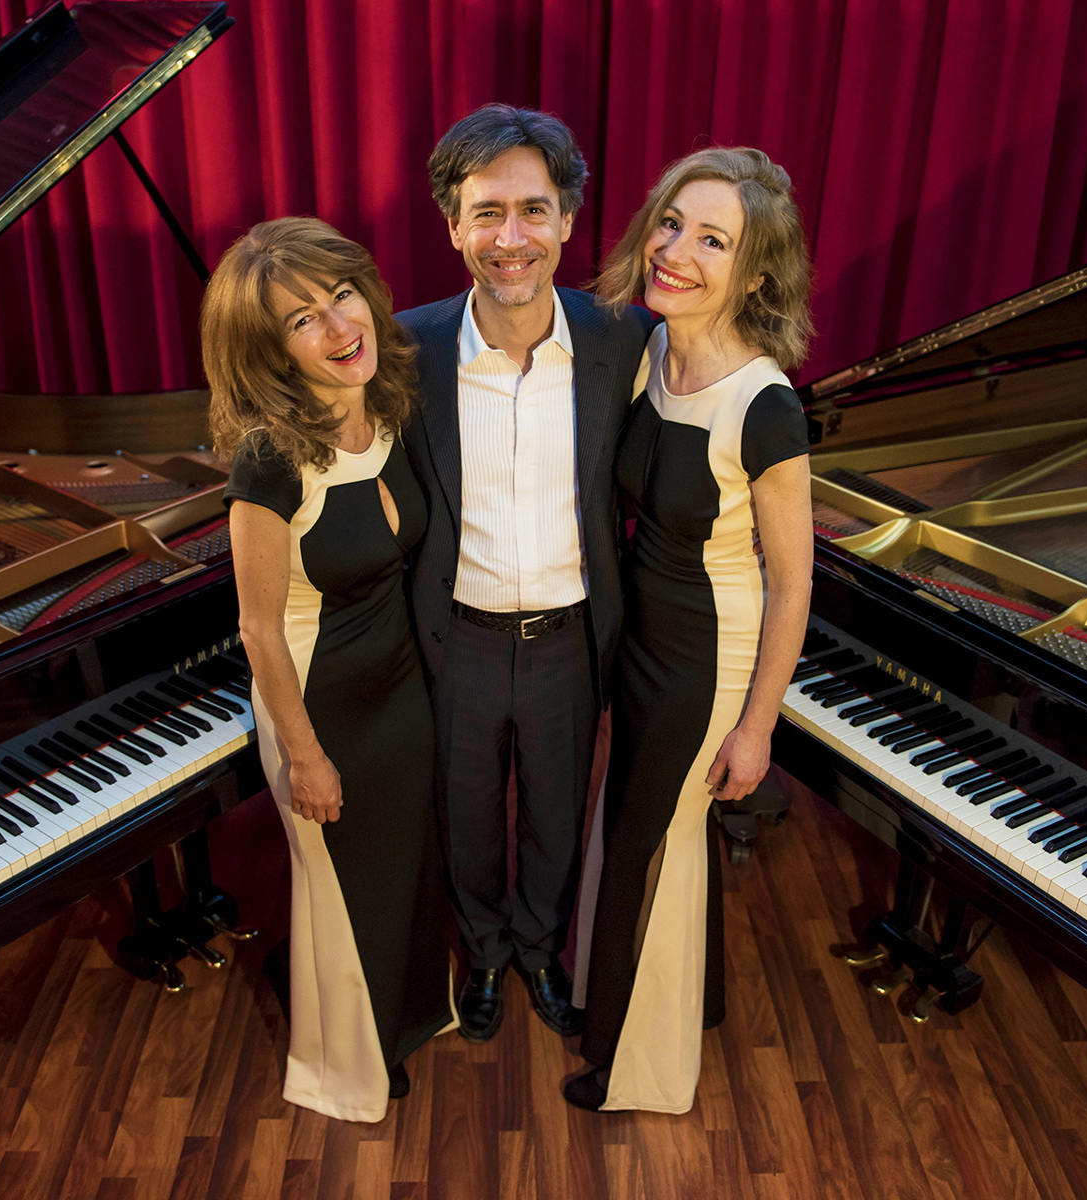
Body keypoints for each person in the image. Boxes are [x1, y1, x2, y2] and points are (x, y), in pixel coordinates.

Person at [565, 148, 815, 1113]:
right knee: (650, 825)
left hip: (707, 661)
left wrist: (757, 728)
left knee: (649, 839)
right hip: (644, 640)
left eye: (713, 240)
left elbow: (792, 584)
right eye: (671, 224)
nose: (676, 251)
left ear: (754, 273)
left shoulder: (765, 406)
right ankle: (664, 1002)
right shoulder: (652, 351)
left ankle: (644, 1070)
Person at [397, 105, 653, 1043]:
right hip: (455, 637)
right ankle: (483, 951)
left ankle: (539, 950)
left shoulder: (626, 340)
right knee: (463, 818)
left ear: (569, 220)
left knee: (556, 815)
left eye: (534, 211)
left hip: (570, 639)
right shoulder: (402, 350)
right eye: (487, 213)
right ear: (452, 225)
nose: (512, 239)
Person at [203, 217, 455, 1123]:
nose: (339, 327)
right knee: (339, 885)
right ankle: (343, 1067)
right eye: (301, 320)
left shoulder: (385, 407)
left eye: (341, 296)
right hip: (320, 702)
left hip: (398, 684)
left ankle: (408, 1016)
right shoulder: (269, 460)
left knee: (403, 863)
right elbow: (259, 629)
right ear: (270, 351)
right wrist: (304, 757)